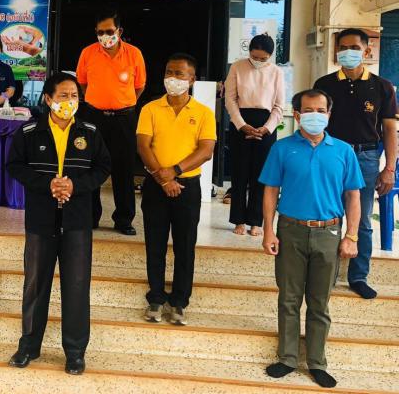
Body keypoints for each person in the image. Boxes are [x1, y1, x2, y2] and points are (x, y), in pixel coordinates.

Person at [6, 72, 111, 376]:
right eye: (63, 95)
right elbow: (14, 166)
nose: (69, 101)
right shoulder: (29, 132)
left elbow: (103, 167)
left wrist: (75, 186)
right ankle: (29, 346)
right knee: (35, 285)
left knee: (76, 287)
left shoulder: (90, 132)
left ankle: (75, 352)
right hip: (41, 220)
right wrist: (47, 184)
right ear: (48, 99)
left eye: (74, 95)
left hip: (77, 221)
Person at [260, 89, 362, 389]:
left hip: (328, 233)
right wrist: (268, 230)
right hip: (290, 230)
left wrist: (351, 236)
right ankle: (288, 358)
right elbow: (270, 191)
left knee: (320, 302)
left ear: (329, 114)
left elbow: (353, 197)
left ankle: (317, 362)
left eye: (320, 110)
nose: (314, 115)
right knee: (289, 298)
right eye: (308, 110)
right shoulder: (282, 149)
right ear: (296, 114)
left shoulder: (343, 151)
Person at [313, 28, 397, 300]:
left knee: (361, 220)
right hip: (330, 157)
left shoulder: (382, 86)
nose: (347, 52)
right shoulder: (324, 84)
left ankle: (358, 276)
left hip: (366, 158)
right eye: (343, 47)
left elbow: (389, 129)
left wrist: (389, 168)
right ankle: (325, 275)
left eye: (354, 47)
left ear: (366, 51)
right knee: (327, 217)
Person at [136, 53, 216, 326]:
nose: (173, 78)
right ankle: (156, 298)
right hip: (156, 184)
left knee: (185, 246)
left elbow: (206, 150)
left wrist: (175, 171)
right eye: (169, 72)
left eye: (179, 74)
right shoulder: (150, 109)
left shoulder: (203, 113)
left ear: (192, 80)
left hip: (187, 186)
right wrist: (163, 179)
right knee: (155, 244)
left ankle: (180, 301)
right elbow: (143, 146)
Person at [76, 9, 146, 235]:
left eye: (109, 31)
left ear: (119, 31)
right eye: (100, 32)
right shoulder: (88, 53)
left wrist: (122, 103)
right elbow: (83, 84)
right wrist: (99, 101)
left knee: (124, 169)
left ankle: (124, 220)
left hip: (124, 119)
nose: (105, 36)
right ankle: (90, 217)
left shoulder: (134, 54)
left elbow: (139, 86)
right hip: (94, 117)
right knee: (90, 166)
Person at [224, 34, 284, 236]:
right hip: (240, 122)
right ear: (248, 52)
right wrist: (241, 125)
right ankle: (238, 220)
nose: (258, 61)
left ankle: (256, 221)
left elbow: (279, 106)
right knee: (239, 173)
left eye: (263, 58)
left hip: (266, 125)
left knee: (261, 176)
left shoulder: (276, 72)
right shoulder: (237, 67)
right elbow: (230, 99)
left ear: (270, 56)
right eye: (254, 57)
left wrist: (267, 128)